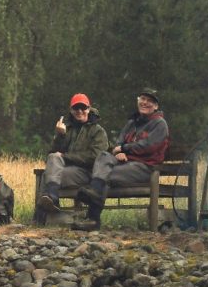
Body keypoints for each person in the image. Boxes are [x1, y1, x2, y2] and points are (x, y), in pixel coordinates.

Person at [73, 89, 170, 230]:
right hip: (125, 164)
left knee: (103, 176)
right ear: (138, 101)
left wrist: (125, 149)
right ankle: (94, 199)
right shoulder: (132, 122)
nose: (145, 102)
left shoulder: (160, 124)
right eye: (143, 98)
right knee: (104, 156)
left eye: (150, 101)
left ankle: (92, 219)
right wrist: (118, 150)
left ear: (156, 106)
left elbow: (149, 146)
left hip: (145, 167)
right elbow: (118, 143)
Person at [35, 93, 109, 221]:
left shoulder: (98, 131)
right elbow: (51, 156)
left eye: (83, 108)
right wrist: (60, 136)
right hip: (67, 172)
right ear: (71, 110)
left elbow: (96, 156)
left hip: (88, 173)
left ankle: (41, 216)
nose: (80, 111)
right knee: (52, 160)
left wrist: (66, 156)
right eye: (76, 108)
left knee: (48, 175)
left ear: (89, 108)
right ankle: (52, 200)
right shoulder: (67, 130)